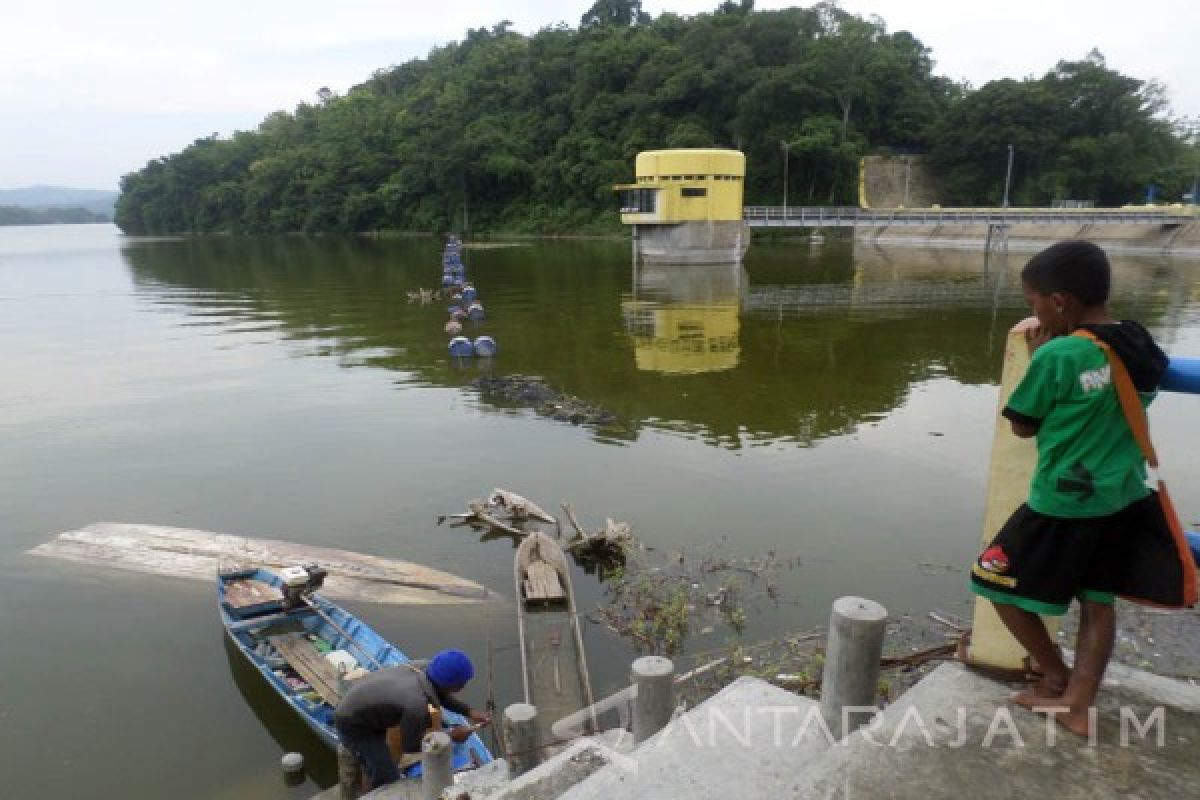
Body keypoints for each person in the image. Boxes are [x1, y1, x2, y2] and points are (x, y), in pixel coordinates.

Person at [969, 240, 1168, 737]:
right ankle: (1078, 703)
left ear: (1059, 302)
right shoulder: (1138, 343)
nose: (1032, 312)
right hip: (1121, 497)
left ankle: (1054, 674)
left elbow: (1023, 425)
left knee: (994, 581)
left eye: (1033, 302)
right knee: (1098, 602)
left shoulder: (1058, 354)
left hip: (1062, 501)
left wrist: (1039, 355)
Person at [333, 649, 491, 789]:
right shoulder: (416, 705)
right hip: (354, 725)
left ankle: (367, 770)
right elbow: (411, 745)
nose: (464, 686)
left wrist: (469, 712)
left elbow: (440, 694)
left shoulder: (422, 667)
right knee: (387, 777)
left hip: (362, 706)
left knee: (375, 762)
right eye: (463, 683)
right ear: (456, 685)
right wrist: (451, 736)